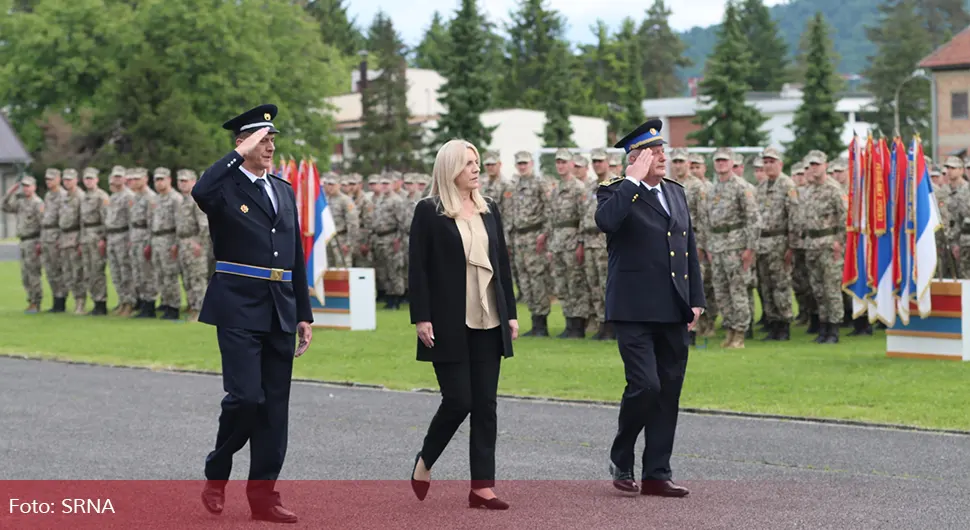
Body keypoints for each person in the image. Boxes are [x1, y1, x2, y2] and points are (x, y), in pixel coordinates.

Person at [192, 104, 313, 524]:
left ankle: (264, 498)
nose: (270, 146)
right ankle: (217, 469)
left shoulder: (281, 189)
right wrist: (236, 155)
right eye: (262, 140)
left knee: (273, 409)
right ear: (241, 144)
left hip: (280, 307)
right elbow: (199, 191)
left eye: (272, 139)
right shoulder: (223, 188)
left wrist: (304, 312)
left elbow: (294, 253)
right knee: (246, 399)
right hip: (238, 305)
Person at [595, 119, 704, 497]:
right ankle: (621, 453)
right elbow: (607, 223)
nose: (663, 157)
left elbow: (686, 246)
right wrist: (632, 182)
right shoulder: (614, 192)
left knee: (668, 391)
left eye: (662, 151)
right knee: (645, 385)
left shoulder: (675, 192)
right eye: (654, 152)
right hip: (633, 309)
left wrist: (696, 299)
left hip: (673, 308)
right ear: (636, 157)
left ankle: (657, 473)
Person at [407, 139, 518, 510]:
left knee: (485, 404)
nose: (476, 169)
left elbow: (501, 265)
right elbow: (417, 268)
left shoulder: (490, 210)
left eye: (478, 162)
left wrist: (512, 313)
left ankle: (482, 487)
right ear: (450, 168)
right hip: (447, 321)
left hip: (489, 318)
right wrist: (421, 316)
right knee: (459, 400)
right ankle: (425, 461)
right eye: (469, 163)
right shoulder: (429, 211)